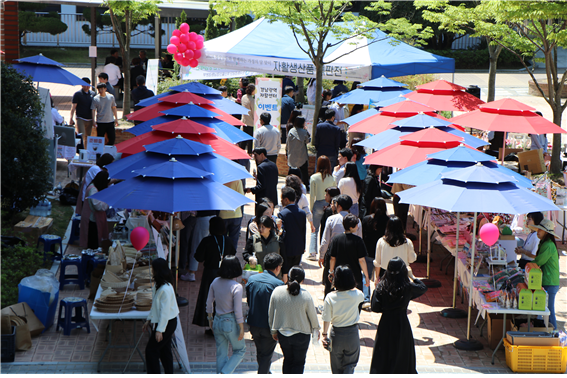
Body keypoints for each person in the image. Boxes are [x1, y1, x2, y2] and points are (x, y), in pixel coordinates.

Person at [370, 257, 427, 373]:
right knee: (402, 352)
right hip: (401, 323)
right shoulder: (407, 287)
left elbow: (375, 307)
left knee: (384, 352)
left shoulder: (382, 286)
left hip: (386, 323)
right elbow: (423, 288)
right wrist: (413, 277)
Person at [268, 265, 320, 374]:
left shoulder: (277, 291)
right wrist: (316, 330)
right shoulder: (306, 295)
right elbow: (313, 317)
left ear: (288, 277)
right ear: (303, 280)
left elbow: (271, 313)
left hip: (283, 334)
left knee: (287, 360)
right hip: (302, 335)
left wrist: (273, 330)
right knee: (299, 363)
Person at [193, 216, 236, 334]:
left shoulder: (207, 240)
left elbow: (198, 257)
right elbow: (233, 252)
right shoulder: (227, 240)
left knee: (209, 300)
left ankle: (212, 326)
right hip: (225, 273)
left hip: (210, 274)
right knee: (225, 300)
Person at [206, 255, 246, 374]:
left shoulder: (215, 281)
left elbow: (208, 303)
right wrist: (242, 328)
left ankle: (221, 373)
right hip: (230, 322)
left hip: (217, 320)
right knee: (240, 350)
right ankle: (225, 373)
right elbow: (238, 310)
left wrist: (210, 320)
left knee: (221, 354)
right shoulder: (237, 287)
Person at [246, 253, 285, 374]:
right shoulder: (278, 285)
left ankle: (265, 371)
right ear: (278, 267)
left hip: (253, 323)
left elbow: (248, 300)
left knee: (261, 352)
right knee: (266, 354)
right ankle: (263, 372)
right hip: (269, 326)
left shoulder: (252, 280)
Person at [322, 265, 364, 374]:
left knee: (336, 367)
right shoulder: (357, 295)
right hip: (352, 334)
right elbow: (358, 292)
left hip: (336, 334)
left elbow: (326, 318)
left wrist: (324, 335)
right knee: (350, 365)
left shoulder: (330, 297)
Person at [319, 195, 362, 297]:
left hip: (334, 255)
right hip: (351, 256)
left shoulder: (331, 219)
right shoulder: (357, 221)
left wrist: (321, 256)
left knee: (330, 283)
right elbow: (360, 240)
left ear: (339, 206)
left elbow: (325, 240)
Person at [142, 258, 179, 374]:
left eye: (153, 269)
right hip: (165, 323)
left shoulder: (165, 289)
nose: (151, 271)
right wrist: (149, 320)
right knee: (164, 350)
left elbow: (165, 312)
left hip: (167, 323)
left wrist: (159, 330)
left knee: (151, 350)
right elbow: (156, 307)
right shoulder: (160, 285)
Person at [528, 219, 560, 329]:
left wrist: (526, 266)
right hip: (547, 280)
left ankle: (555, 333)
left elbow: (538, 261)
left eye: (540, 230)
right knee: (544, 309)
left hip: (550, 281)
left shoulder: (548, 245)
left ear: (546, 232)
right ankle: (546, 332)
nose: (538, 231)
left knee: (549, 310)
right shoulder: (544, 243)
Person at [328, 214, 370, 294]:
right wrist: (366, 276)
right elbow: (362, 260)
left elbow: (333, 258)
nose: (358, 226)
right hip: (355, 274)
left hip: (340, 273)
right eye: (356, 225)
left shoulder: (336, 239)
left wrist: (331, 272)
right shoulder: (358, 240)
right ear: (351, 227)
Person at [308, 156, 336, 260]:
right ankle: (325, 252)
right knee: (327, 229)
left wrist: (311, 207)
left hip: (318, 204)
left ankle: (312, 252)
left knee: (314, 229)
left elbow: (311, 195)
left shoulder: (314, 177)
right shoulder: (332, 178)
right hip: (329, 205)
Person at [374, 216, 417, 280]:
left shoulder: (381, 241)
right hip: (401, 275)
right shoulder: (407, 242)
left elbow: (377, 262)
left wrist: (377, 277)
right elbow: (412, 259)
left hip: (385, 274)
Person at [278, 187, 307, 280]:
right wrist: (303, 247)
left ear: (286, 200)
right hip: (299, 248)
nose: (281, 201)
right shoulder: (302, 213)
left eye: (282, 199)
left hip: (287, 248)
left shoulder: (282, 214)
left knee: (286, 273)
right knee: (295, 273)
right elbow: (303, 231)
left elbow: (282, 233)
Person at [362, 197, 389, 281]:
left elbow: (362, 236)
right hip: (383, 253)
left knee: (366, 277)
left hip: (368, 251)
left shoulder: (366, 219)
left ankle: (366, 294)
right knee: (382, 278)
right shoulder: (389, 220)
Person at [85, 171, 110, 249]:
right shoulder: (93, 190)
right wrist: (108, 202)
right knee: (93, 243)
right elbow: (98, 206)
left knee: (93, 242)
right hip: (92, 220)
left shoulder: (92, 186)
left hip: (91, 218)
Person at [70, 77, 95, 147]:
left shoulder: (93, 94)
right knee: (82, 136)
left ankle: (86, 152)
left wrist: (94, 120)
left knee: (88, 137)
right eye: (85, 85)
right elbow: (73, 107)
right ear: (82, 85)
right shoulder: (77, 94)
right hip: (81, 118)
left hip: (90, 119)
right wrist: (71, 118)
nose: (87, 86)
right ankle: (80, 151)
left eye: (88, 85)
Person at [219, 180, 244, 250]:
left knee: (222, 239)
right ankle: (232, 257)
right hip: (236, 214)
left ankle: (222, 256)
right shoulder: (237, 181)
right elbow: (241, 197)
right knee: (234, 239)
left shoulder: (219, 180)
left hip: (222, 214)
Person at [286, 116, 311, 188]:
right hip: (302, 155)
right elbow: (307, 141)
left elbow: (287, 143)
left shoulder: (291, 131)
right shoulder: (304, 132)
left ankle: (289, 184)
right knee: (304, 171)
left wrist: (287, 152)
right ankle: (306, 185)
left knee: (291, 170)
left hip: (292, 154)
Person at [241, 83, 256, 154]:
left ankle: (241, 151)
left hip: (244, 120)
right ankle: (249, 153)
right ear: (252, 91)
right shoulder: (252, 100)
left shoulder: (244, 97)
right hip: (250, 121)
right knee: (250, 139)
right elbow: (253, 111)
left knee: (243, 138)